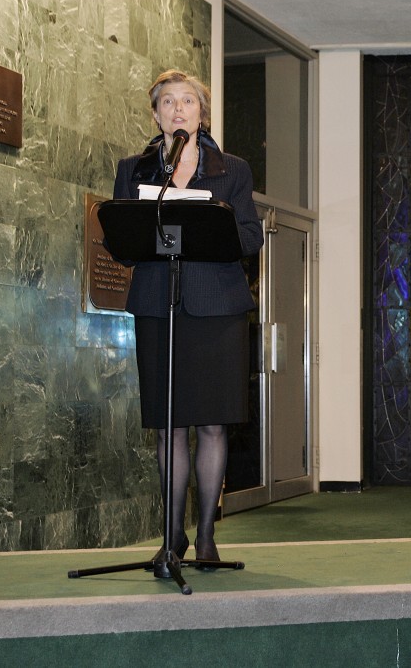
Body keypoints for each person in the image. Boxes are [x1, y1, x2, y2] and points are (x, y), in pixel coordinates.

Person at [112, 69, 263, 576]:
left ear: (203, 112)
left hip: (217, 308)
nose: (179, 110)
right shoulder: (132, 169)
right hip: (159, 305)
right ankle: (171, 537)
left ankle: (206, 536)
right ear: (155, 114)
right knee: (169, 427)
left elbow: (249, 237)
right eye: (168, 103)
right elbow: (121, 242)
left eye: (189, 102)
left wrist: (210, 227)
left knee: (213, 423)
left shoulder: (233, 170)